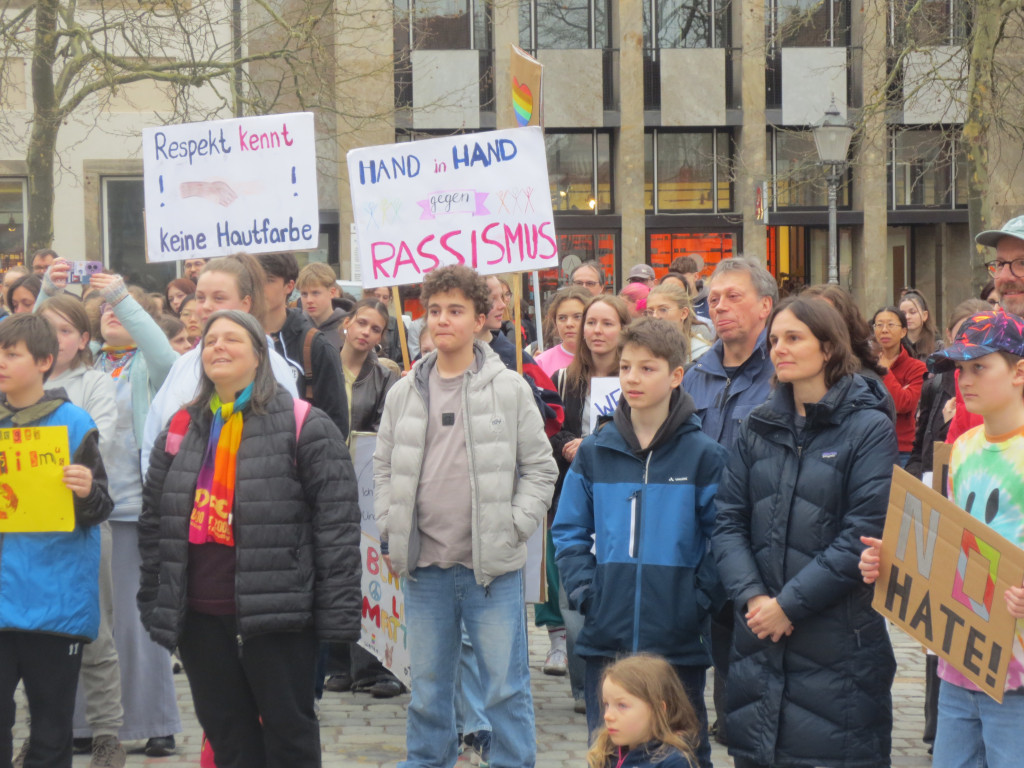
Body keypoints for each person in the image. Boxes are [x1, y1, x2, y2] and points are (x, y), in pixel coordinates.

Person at [138, 310, 360, 768]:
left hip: (277, 617)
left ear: (259, 355)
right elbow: (155, 522)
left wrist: (336, 620)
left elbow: (337, 530)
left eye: (232, 339)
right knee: (228, 737)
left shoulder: (305, 425)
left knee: (288, 736)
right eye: (210, 340)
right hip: (200, 617)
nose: (217, 346)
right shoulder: (181, 428)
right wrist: (155, 599)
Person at [373, 265, 557, 768]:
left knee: (504, 689)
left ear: (481, 320)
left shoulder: (511, 388)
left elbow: (541, 469)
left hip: (491, 571)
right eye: (434, 310)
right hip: (426, 568)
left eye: (455, 310)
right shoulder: (403, 392)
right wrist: (391, 525)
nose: (442, 320)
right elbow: (384, 465)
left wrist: (514, 525)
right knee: (429, 692)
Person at [713, 297, 897, 768]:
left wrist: (787, 606)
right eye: (774, 339)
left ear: (830, 347)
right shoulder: (754, 426)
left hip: (838, 649)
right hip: (758, 639)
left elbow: (862, 532)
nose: (779, 349)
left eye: (793, 338)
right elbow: (728, 521)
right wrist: (754, 599)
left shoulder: (869, 427)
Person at [554, 317, 725, 767]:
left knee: (682, 752)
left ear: (675, 375)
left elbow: (723, 536)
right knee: (608, 751)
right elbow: (568, 530)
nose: (632, 377)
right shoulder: (596, 451)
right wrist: (588, 593)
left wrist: (697, 599)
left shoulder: (704, 455)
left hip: (675, 640)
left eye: (647, 368)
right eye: (626, 367)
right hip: (606, 636)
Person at [861, 308, 1024, 768]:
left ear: (1019, 372)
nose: (964, 380)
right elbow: (951, 539)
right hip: (961, 659)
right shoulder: (964, 449)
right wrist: (892, 561)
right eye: (959, 369)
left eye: (979, 367)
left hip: (1016, 672)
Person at [0, 314, 114, 768]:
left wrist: (87, 489)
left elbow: (102, 506)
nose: (2, 363)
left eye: (12, 355)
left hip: (55, 600)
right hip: (3, 598)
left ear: (45, 361)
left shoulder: (73, 422)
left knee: (51, 726)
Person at [681, 256, 777, 747]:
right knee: (719, 675)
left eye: (733, 296)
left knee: (761, 684)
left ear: (766, 304)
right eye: (713, 299)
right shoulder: (696, 374)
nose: (720, 307)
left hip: (765, 550)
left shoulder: (784, 371)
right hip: (705, 549)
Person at [142, 253, 299, 476]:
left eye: (218, 298)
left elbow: (290, 443)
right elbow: (154, 439)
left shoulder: (272, 365)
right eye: (200, 297)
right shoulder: (183, 365)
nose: (206, 307)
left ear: (245, 304)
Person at [321, 298, 402, 700]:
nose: (367, 333)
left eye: (376, 329)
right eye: (362, 324)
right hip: (324, 482)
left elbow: (383, 428)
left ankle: (373, 665)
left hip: (366, 483)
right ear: (346, 325)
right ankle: (336, 661)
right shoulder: (320, 368)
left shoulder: (385, 379)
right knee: (332, 570)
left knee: (369, 572)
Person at [257, 252, 349, 438]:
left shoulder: (315, 345)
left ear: (289, 286)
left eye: (269, 280)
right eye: (255, 280)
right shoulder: (240, 341)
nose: (260, 288)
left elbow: (336, 425)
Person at [586, 655, 700, 768]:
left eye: (622, 705)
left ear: (658, 710)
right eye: (606, 704)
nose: (607, 716)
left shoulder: (674, 762)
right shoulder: (607, 753)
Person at [873, 306, 927, 466]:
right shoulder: (865, 365)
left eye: (890, 325)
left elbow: (902, 404)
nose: (884, 330)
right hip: (871, 444)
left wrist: (884, 371)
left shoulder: (916, 367)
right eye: (879, 325)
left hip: (902, 448)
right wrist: (898, 389)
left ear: (903, 331)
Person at [645, 283, 710, 362]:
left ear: (683, 313)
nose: (655, 316)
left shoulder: (703, 354)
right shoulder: (641, 350)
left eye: (663, 309)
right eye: (650, 311)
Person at [535, 286, 590, 377]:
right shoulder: (541, 363)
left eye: (577, 317)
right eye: (562, 318)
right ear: (555, 322)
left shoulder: (606, 360)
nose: (569, 324)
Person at [297, 262, 346, 352]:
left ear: (332, 292)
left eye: (315, 293)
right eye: (304, 294)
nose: (309, 300)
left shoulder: (349, 329)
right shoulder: (295, 328)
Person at [900, 289, 942, 359]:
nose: (907, 317)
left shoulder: (937, 346)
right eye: (903, 313)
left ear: (924, 315)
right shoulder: (896, 345)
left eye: (912, 312)